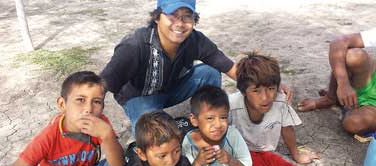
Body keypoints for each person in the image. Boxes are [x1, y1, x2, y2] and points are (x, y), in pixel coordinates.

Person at [100, 0, 291, 137]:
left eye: (186, 17)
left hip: (171, 89)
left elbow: (230, 68)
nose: (180, 23)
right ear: (157, 17)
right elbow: (101, 86)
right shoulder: (135, 46)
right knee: (156, 136)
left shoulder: (195, 40)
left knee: (209, 72)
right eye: (172, 15)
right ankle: (154, 121)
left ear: (194, 20)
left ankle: (205, 121)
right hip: (138, 98)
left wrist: (268, 83)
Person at [0, 71, 127, 166]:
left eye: (97, 101)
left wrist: (107, 136)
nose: (88, 109)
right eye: (80, 100)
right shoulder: (49, 135)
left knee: (117, 165)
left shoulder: (100, 125)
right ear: (62, 104)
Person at [229, 52, 319, 166]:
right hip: (240, 154)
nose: (265, 97)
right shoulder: (231, 104)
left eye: (270, 89)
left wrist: (296, 154)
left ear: (277, 87)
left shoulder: (280, 101)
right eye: (256, 90)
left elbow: (287, 128)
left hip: (265, 154)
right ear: (243, 91)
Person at [182, 85, 277, 166]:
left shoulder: (232, 134)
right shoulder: (188, 142)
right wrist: (198, 163)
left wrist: (230, 160)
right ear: (194, 120)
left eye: (223, 117)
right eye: (210, 118)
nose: (218, 125)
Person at [297, 28, 376, 137]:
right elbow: (338, 42)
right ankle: (331, 98)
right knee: (353, 56)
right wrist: (344, 85)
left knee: (353, 124)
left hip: (372, 108)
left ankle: (347, 105)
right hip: (368, 79)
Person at [126, 110, 193, 166]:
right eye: (162, 156)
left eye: (176, 151)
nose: (171, 161)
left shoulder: (183, 165)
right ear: (142, 154)